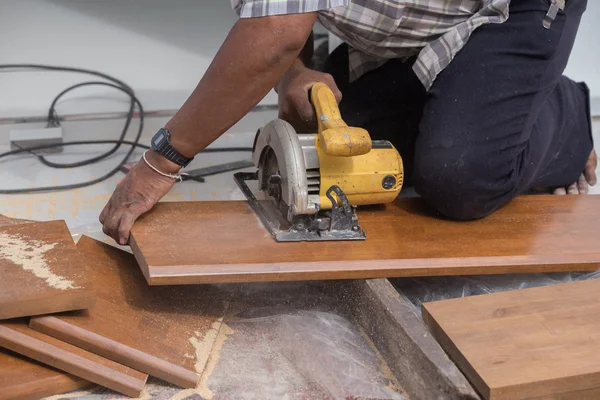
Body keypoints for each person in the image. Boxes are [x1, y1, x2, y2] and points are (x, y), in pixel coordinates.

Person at [100, 0, 596, 245]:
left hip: (514, 7)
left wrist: (160, 164)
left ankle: (561, 111)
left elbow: (276, 33)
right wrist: (293, 73)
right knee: (347, 139)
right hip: (428, 14)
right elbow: (274, 21)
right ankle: (482, 96)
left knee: (457, 178)